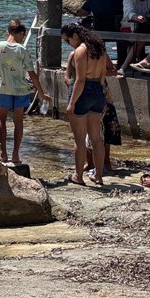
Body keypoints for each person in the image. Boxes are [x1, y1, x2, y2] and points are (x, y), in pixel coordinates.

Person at [0, 19, 49, 164]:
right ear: (20, 33)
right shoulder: (22, 50)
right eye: (23, 36)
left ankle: (3, 153)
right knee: (18, 122)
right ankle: (15, 155)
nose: (22, 38)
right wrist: (41, 93)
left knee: (1, 119)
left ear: (8, 32)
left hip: (3, 88)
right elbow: (32, 74)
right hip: (21, 91)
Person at [62, 23, 110, 187]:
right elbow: (103, 75)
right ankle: (99, 176)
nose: (68, 44)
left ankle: (78, 176)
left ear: (75, 36)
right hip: (98, 90)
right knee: (96, 138)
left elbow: (80, 79)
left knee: (80, 138)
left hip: (83, 92)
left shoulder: (81, 51)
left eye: (67, 40)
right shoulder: (100, 48)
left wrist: (71, 103)